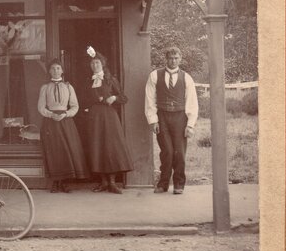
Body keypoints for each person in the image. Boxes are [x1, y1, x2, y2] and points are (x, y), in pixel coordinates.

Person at [144, 46, 199, 195]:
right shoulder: (155, 76)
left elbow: (192, 102)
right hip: (162, 117)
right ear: (166, 59)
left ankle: (179, 184)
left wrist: (190, 125)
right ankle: (163, 184)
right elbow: (150, 100)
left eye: (176, 58)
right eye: (170, 58)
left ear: (180, 59)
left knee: (179, 152)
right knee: (167, 151)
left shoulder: (186, 77)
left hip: (180, 117)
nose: (173, 61)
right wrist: (153, 120)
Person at [77, 48, 133, 194]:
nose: (95, 65)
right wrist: (89, 106)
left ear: (102, 64)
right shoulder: (87, 81)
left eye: (97, 62)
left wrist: (113, 98)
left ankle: (112, 183)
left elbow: (123, 97)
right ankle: (103, 182)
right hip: (94, 118)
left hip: (109, 117)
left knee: (111, 148)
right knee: (97, 148)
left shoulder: (110, 79)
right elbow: (82, 100)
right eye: (92, 63)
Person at [37, 60, 88, 193]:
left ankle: (65, 182)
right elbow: (41, 107)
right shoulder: (45, 87)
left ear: (62, 71)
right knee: (54, 151)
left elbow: (75, 106)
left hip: (65, 121)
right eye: (53, 68)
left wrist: (65, 114)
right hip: (50, 122)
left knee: (66, 151)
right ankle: (55, 182)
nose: (55, 71)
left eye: (58, 68)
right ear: (49, 71)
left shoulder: (68, 87)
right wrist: (50, 114)